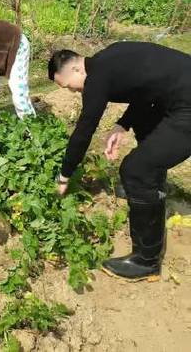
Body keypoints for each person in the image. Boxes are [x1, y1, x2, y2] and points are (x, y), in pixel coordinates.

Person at [48, 42, 191, 281]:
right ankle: (151, 191)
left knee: (135, 169)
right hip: (179, 93)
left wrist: (64, 175)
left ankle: (146, 262)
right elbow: (145, 90)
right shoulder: (109, 59)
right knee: (146, 132)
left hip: (187, 104)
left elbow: (84, 131)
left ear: (75, 70)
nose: (74, 92)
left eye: (68, 86)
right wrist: (122, 124)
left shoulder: (96, 78)